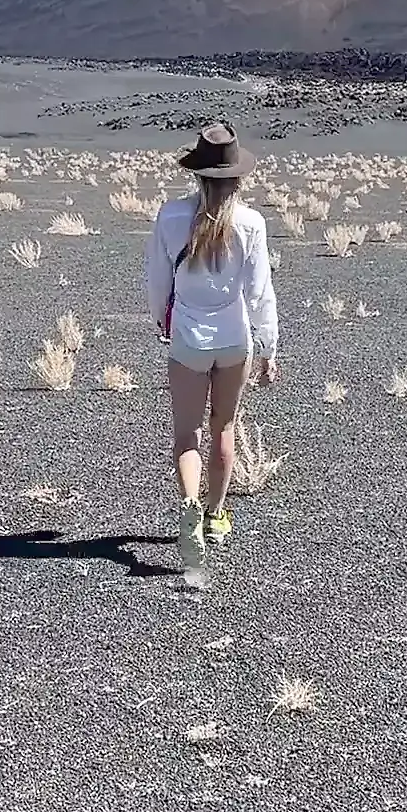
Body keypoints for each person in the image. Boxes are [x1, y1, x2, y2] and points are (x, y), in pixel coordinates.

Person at [143, 123, 280, 590]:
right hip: (234, 339)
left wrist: (161, 320)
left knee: (187, 434)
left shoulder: (170, 216)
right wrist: (268, 347)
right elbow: (260, 293)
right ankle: (216, 515)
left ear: (197, 173)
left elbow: (157, 279)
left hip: (187, 338)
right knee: (224, 427)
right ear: (237, 177)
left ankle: (189, 505)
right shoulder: (252, 223)